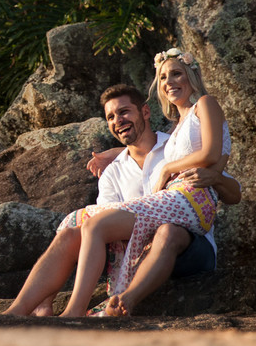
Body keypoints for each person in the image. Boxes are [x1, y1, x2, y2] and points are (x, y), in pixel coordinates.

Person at [4, 73, 241, 317]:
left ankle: (107, 305)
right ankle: (21, 309)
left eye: (124, 112)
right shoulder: (112, 172)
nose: (118, 120)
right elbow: (106, 231)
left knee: (168, 230)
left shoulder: (177, 145)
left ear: (146, 112)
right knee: (70, 233)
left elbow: (234, 193)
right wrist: (117, 154)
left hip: (189, 250)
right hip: (137, 255)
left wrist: (215, 178)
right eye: (110, 117)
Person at [58, 48, 234, 317]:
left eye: (176, 73)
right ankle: (114, 305)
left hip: (190, 200)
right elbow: (161, 147)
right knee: (105, 225)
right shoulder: (177, 128)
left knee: (90, 221)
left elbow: (210, 154)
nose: (169, 82)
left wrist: (167, 171)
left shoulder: (206, 104)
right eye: (163, 77)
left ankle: (75, 312)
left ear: (192, 75)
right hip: (181, 200)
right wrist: (115, 153)